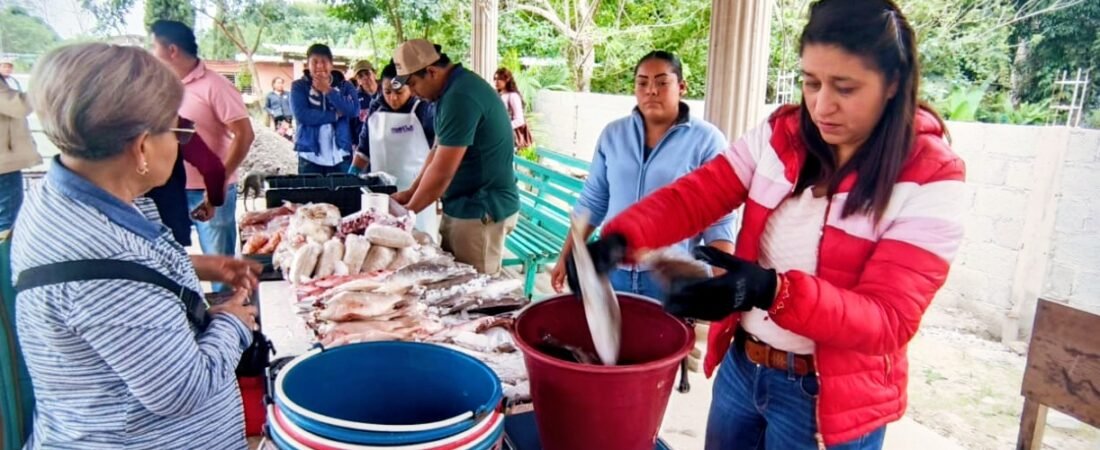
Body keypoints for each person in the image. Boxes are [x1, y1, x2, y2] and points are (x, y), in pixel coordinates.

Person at [567, 1, 967, 449]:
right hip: (745, 368)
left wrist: (768, 290)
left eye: (846, 87)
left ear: (893, 83)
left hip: (824, 400)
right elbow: (698, 194)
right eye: (810, 82)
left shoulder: (930, 176)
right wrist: (623, 237)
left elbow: (888, 320)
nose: (821, 105)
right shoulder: (783, 136)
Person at [13, 42, 261, 450]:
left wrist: (198, 266)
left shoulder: (68, 194)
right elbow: (180, 390)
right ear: (142, 146)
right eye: (178, 131)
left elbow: (132, 275)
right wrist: (234, 322)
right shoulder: (98, 265)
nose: (181, 144)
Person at [550, 51, 736, 300]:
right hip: (612, 272)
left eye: (662, 82)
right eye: (642, 82)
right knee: (610, 339)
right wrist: (566, 255)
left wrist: (720, 280)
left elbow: (719, 218)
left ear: (681, 87)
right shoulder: (613, 135)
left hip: (668, 277)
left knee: (665, 338)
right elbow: (593, 201)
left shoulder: (706, 140)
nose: (651, 90)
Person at [391, 40, 519, 275]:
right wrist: (410, 194)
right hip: (463, 207)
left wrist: (406, 216)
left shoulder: (460, 96)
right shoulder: (449, 92)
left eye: (413, 84)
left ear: (431, 71)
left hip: (481, 211)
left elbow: (442, 173)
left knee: (475, 295)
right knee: (453, 284)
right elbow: (437, 153)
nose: (413, 92)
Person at [151, 20, 255, 283]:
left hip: (209, 191)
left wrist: (214, 190)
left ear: (171, 50)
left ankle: (228, 314)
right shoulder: (161, 87)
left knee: (220, 267)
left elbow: (244, 135)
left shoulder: (215, 86)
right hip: (170, 190)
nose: (152, 53)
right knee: (175, 261)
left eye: (154, 46)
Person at [354, 61, 437, 233]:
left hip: (416, 191)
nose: (393, 98)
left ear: (411, 88)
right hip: (382, 192)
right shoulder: (376, 108)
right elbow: (364, 149)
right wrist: (352, 174)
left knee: (418, 239)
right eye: (387, 92)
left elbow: (438, 151)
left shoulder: (423, 110)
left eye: (399, 92)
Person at [146, 118, 228, 247]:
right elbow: (213, 169)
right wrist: (212, 201)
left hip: (117, 224)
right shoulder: (172, 122)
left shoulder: (110, 122)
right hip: (169, 221)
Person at [291, 44, 359, 175]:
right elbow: (302, 115)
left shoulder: (345, 86)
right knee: (310, 195)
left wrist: (328, 90)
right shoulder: (299, 86)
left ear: (331, 64)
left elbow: (353, 111)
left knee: (344, 194)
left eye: (324, 62)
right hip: (309, 156)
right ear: (308, 64)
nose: (319, 66)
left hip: (341, 153)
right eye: (315, 62)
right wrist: (334, 115)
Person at [0, 64, 38, 234]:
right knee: (8, 222)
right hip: (4, 163)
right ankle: (5, 260)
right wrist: (44, 83)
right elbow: (20, 106)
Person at [494, 68, 532, 149]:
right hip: (499, 135)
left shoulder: (513, 96)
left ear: (507, 79)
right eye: (495, 79)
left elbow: (519, 120)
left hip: (509, 136)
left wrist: (503, 127)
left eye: (500, 79)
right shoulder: (498, 94)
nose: (496, 82)